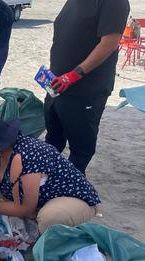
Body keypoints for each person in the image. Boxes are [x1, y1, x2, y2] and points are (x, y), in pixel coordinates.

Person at [0, 115, 101, 233]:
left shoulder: (23, 157)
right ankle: (35, 216)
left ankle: (58, 235)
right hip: (39, 198)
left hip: (75, 198)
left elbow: (23, 207)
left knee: (49, 217)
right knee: (13, 205)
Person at [45, 0, 130, 174]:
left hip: (86, 89)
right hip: (57, 86)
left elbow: (109, 43)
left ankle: (71, 192)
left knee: (80, 149)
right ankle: (47, 186)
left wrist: (73, 75)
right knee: (52, 141)